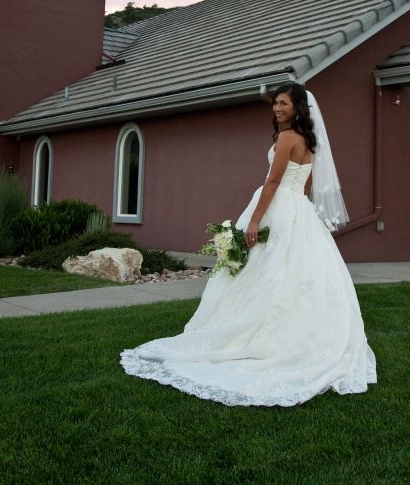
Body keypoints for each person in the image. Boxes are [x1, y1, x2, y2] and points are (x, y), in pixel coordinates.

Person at [120, 82, 376, 407]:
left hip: (277, 207)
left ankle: (254, 335)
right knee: (288, 274)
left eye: (283, 103)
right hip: (299, 209)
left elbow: (273, 181)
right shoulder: (310, 143)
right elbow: (306, 185)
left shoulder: (286, 138)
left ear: (297, 107)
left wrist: (255, 219)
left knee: (262, 271)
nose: (277, 108)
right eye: (275, 104)